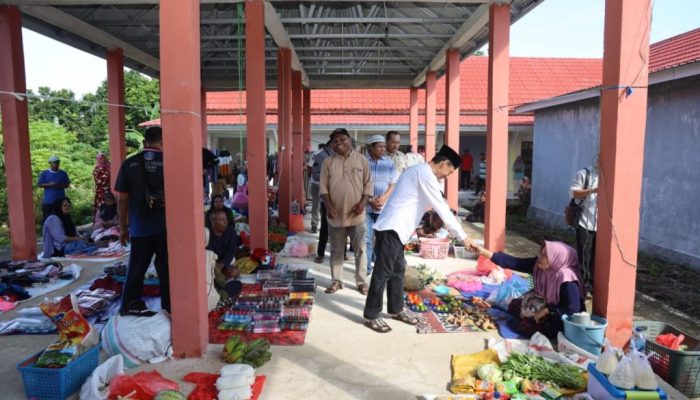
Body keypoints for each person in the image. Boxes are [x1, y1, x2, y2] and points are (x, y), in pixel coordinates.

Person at [363, 145, 471, 333]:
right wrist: (462, 236)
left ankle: (396, 309)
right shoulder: (425, 173)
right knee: (383, 272)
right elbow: (441, 207)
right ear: (444, 163)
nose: (445, 176)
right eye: (448, 172)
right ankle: (371, 315)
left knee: (398, 270)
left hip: (398, 229)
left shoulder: (419, 171)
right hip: (392, 227)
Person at [468, 240, 585, 338]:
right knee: (514, 306)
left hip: (560, 317)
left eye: (545, 256)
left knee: (527, 327)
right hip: (545, 304)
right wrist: (483, 252)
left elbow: (572, 309)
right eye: (541, 253)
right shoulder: (540, 265)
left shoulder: (567, 280)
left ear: (557, 259)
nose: (540, 257)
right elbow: (514, 262)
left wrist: (546, 311)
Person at [115, 126, 169, 317]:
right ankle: (168, 308)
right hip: (166, 227)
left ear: (145, 142)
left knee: (137, 268)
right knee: (166, 270)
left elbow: (122, 199)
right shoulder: (170, 162)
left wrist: (123, 228)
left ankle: (130, 304)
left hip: (139, 227)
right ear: (163, 141)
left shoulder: (129, 164)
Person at [320, 128, 372, 295]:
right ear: (332, 145)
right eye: (335, 141)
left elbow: (368, 185)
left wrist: (363, 203)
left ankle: (362, 282)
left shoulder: (362, 160)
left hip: (356, 214)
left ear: (350, 140)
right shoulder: (328, 162)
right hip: (335, 215)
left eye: (343, 139)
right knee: (336, 249)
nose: (339, 143)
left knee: (361, 249)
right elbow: (323, 188)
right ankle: (336, 280)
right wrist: (329, 207)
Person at [365, 135, 399, 275]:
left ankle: (379, 268)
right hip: (366, 207)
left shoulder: (389, 163)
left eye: (384, 147)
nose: (383, 149)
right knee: (366, 239)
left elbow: (393, 183)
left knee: (382, 240)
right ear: (371, 147)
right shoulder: (363, 162)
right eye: (380, 147)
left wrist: (384, 198)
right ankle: (366, 269)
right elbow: (358, 184)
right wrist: (369, 200)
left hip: (383, 209)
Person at [570, 163, 599, 296]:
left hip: (602, 226)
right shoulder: (585, 174)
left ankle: (593, 286)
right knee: (584, 257)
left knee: (596, 258)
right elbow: (574, 193)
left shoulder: (611, 176)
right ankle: (584, 288)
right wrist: (593, 190)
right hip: (585, 222)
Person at [206, 209, 242, 301]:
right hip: (212, 264)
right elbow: (208, 254)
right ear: (213, 221)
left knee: (234, 272)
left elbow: (231, 251)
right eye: (222, 220)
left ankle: (221, 282)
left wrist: (222, 265)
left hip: (225, 262)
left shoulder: (230, 230)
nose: (225, 222)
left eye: (226, 219)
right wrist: (215, 266)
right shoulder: (207, 233)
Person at [313, 142, 336, 263]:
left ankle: (341, 255)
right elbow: (315, 175)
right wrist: (329, 178)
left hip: (342, 199)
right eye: (337, 141)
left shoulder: (343, 156)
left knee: (341, 228)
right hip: (327, 198)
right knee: (325, 227)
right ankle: (320, 253)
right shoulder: (321, 156)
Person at [37, 155, 71, 223]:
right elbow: (40, 184)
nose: (56, 164)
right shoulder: (45, 173)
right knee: (47, 220)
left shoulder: (63, 173)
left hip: (60, 202)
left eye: (58, 162)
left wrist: (60, 185)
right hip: (48, 202)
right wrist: (50, 184)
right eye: (54, 162)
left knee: (61, 220)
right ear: (50, 163)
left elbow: (67, 184)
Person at [307, 142, 329, 233]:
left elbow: (309, 167)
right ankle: (325, 226)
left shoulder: (315, 153)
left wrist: (311, 178)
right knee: (326, 205)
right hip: (326, 185)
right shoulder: (330, 155)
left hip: (315, 183)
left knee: (315, 204)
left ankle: (314, 225)